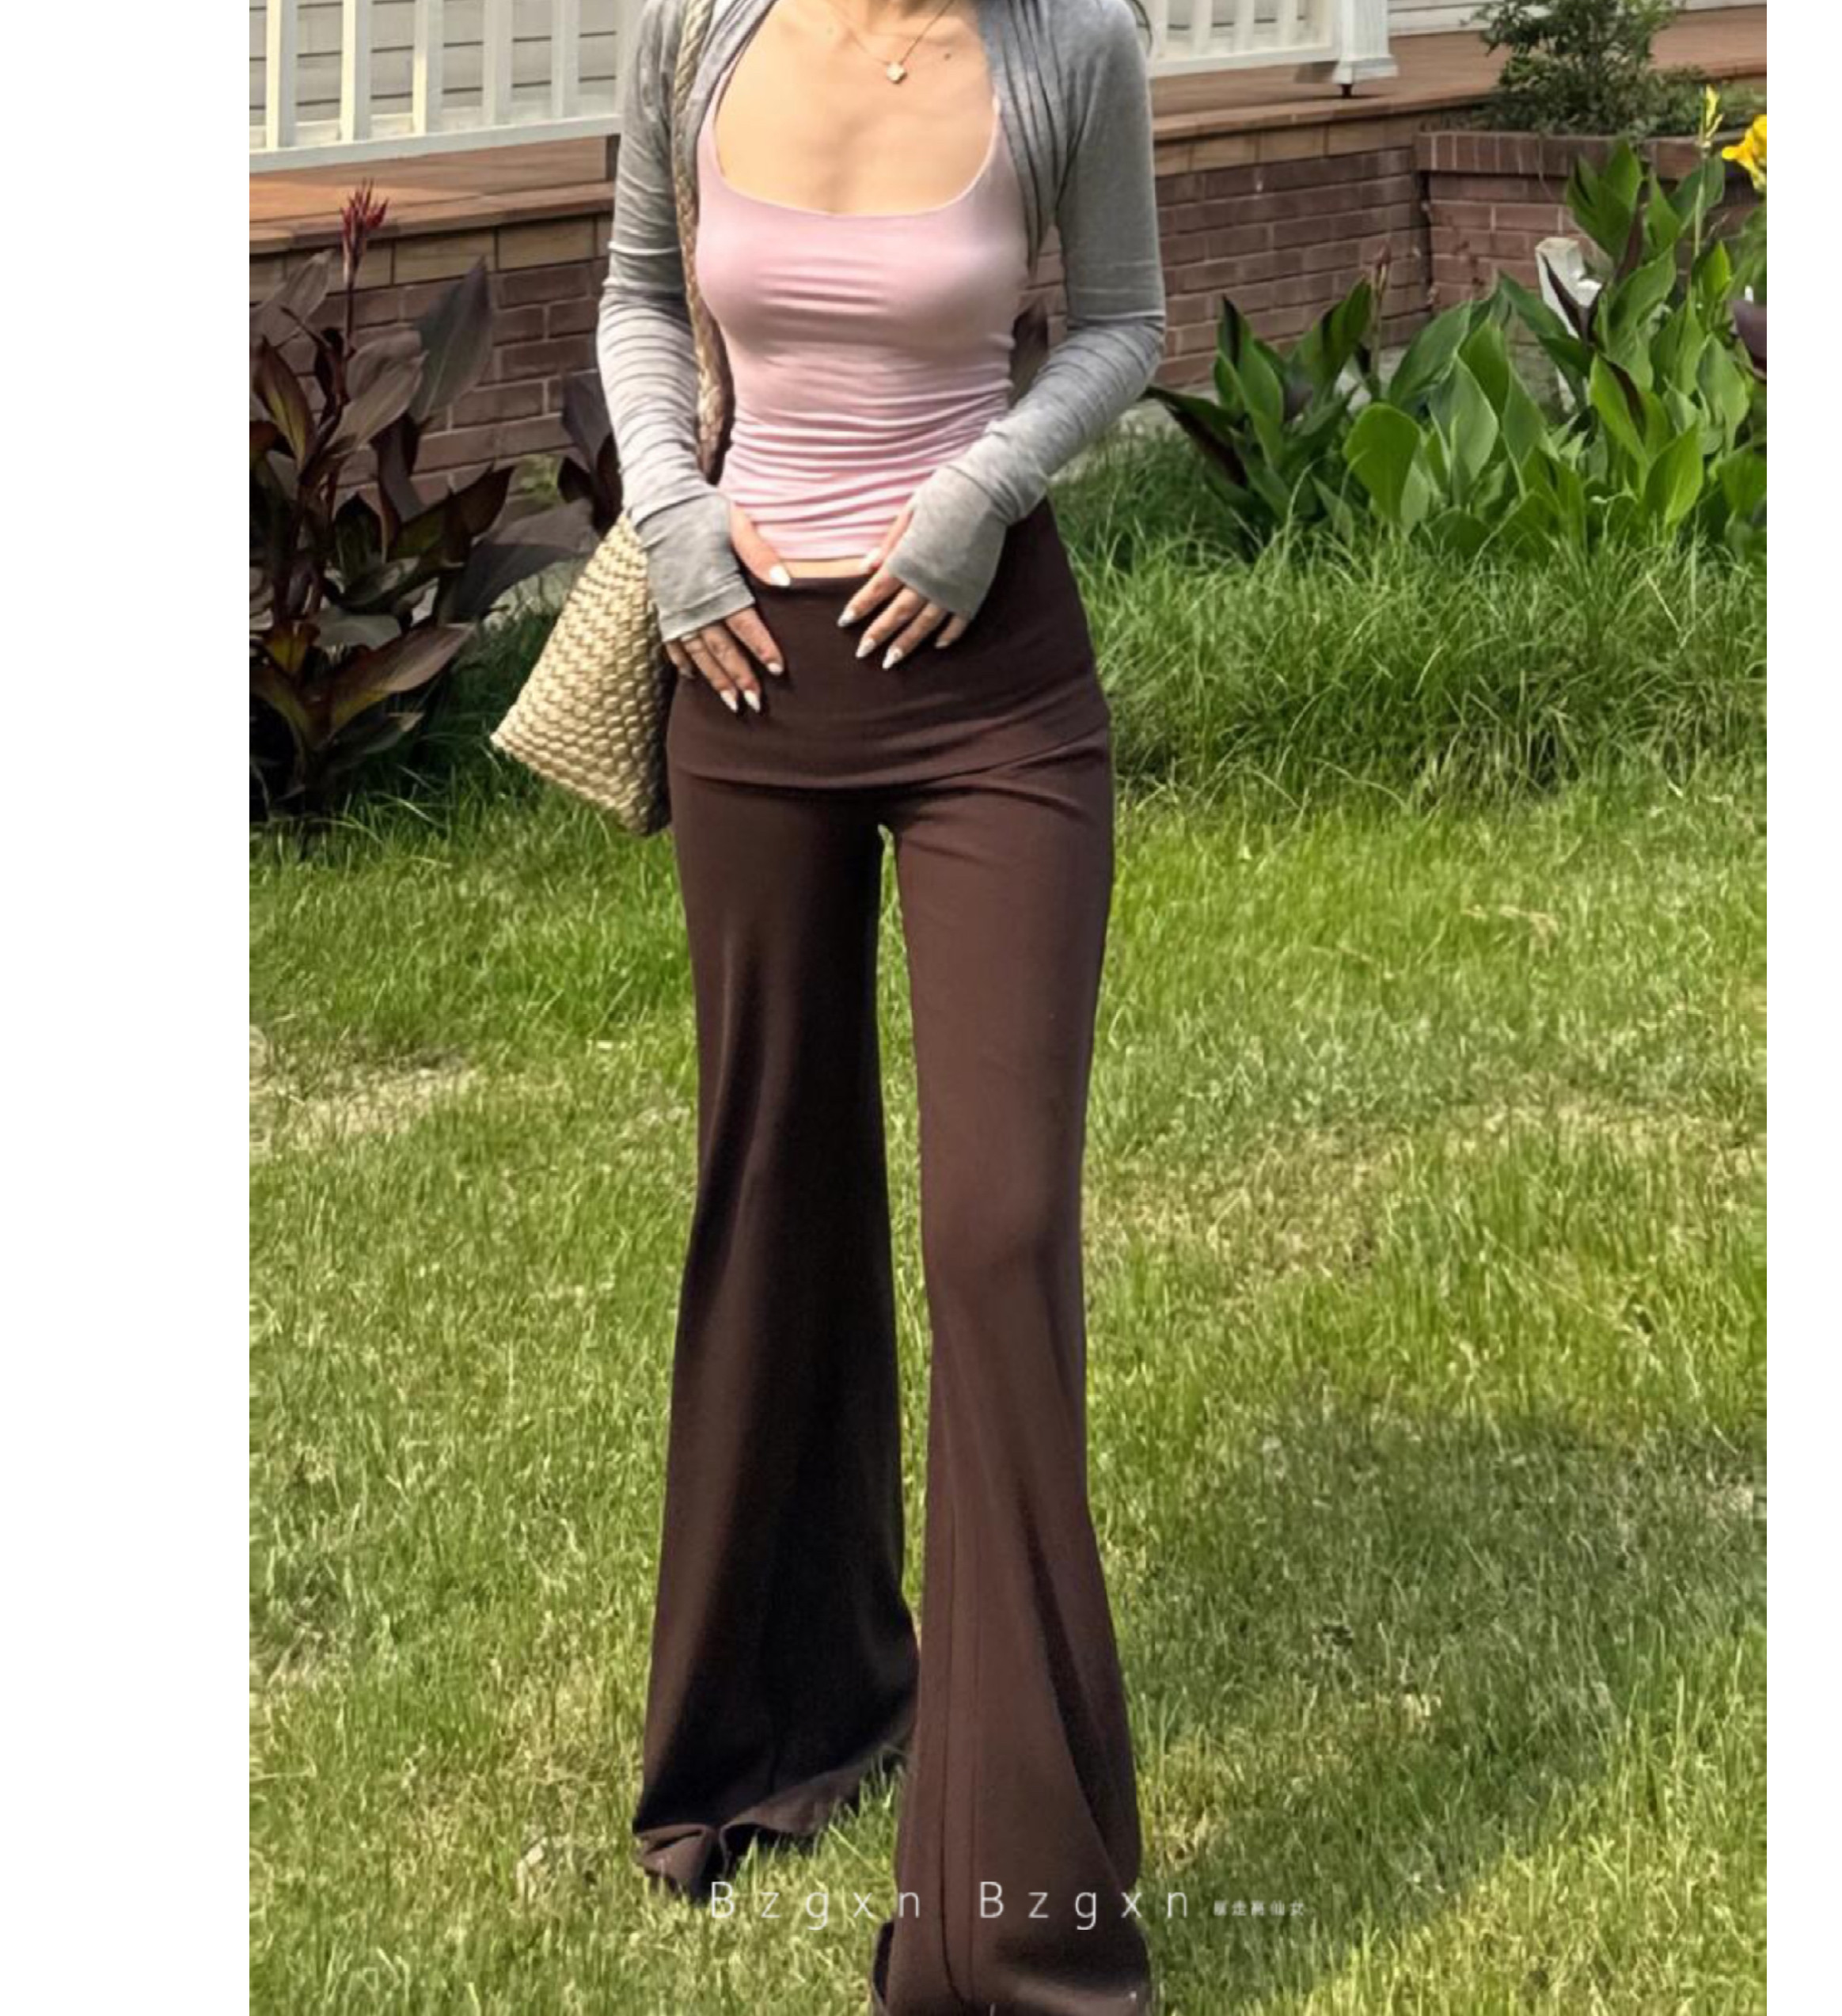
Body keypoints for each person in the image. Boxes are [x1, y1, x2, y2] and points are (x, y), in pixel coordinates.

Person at [595, 0, 1166, 2009]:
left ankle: (1019, 1916)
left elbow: (1123, 325)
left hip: (990, 685)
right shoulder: (698, 22)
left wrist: (982, 487)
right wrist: (672, 518)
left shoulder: (1073, 41)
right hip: (745, 674)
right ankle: (784, 1719)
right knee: (773, 1185)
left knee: (997, 1228)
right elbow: (638, 295)